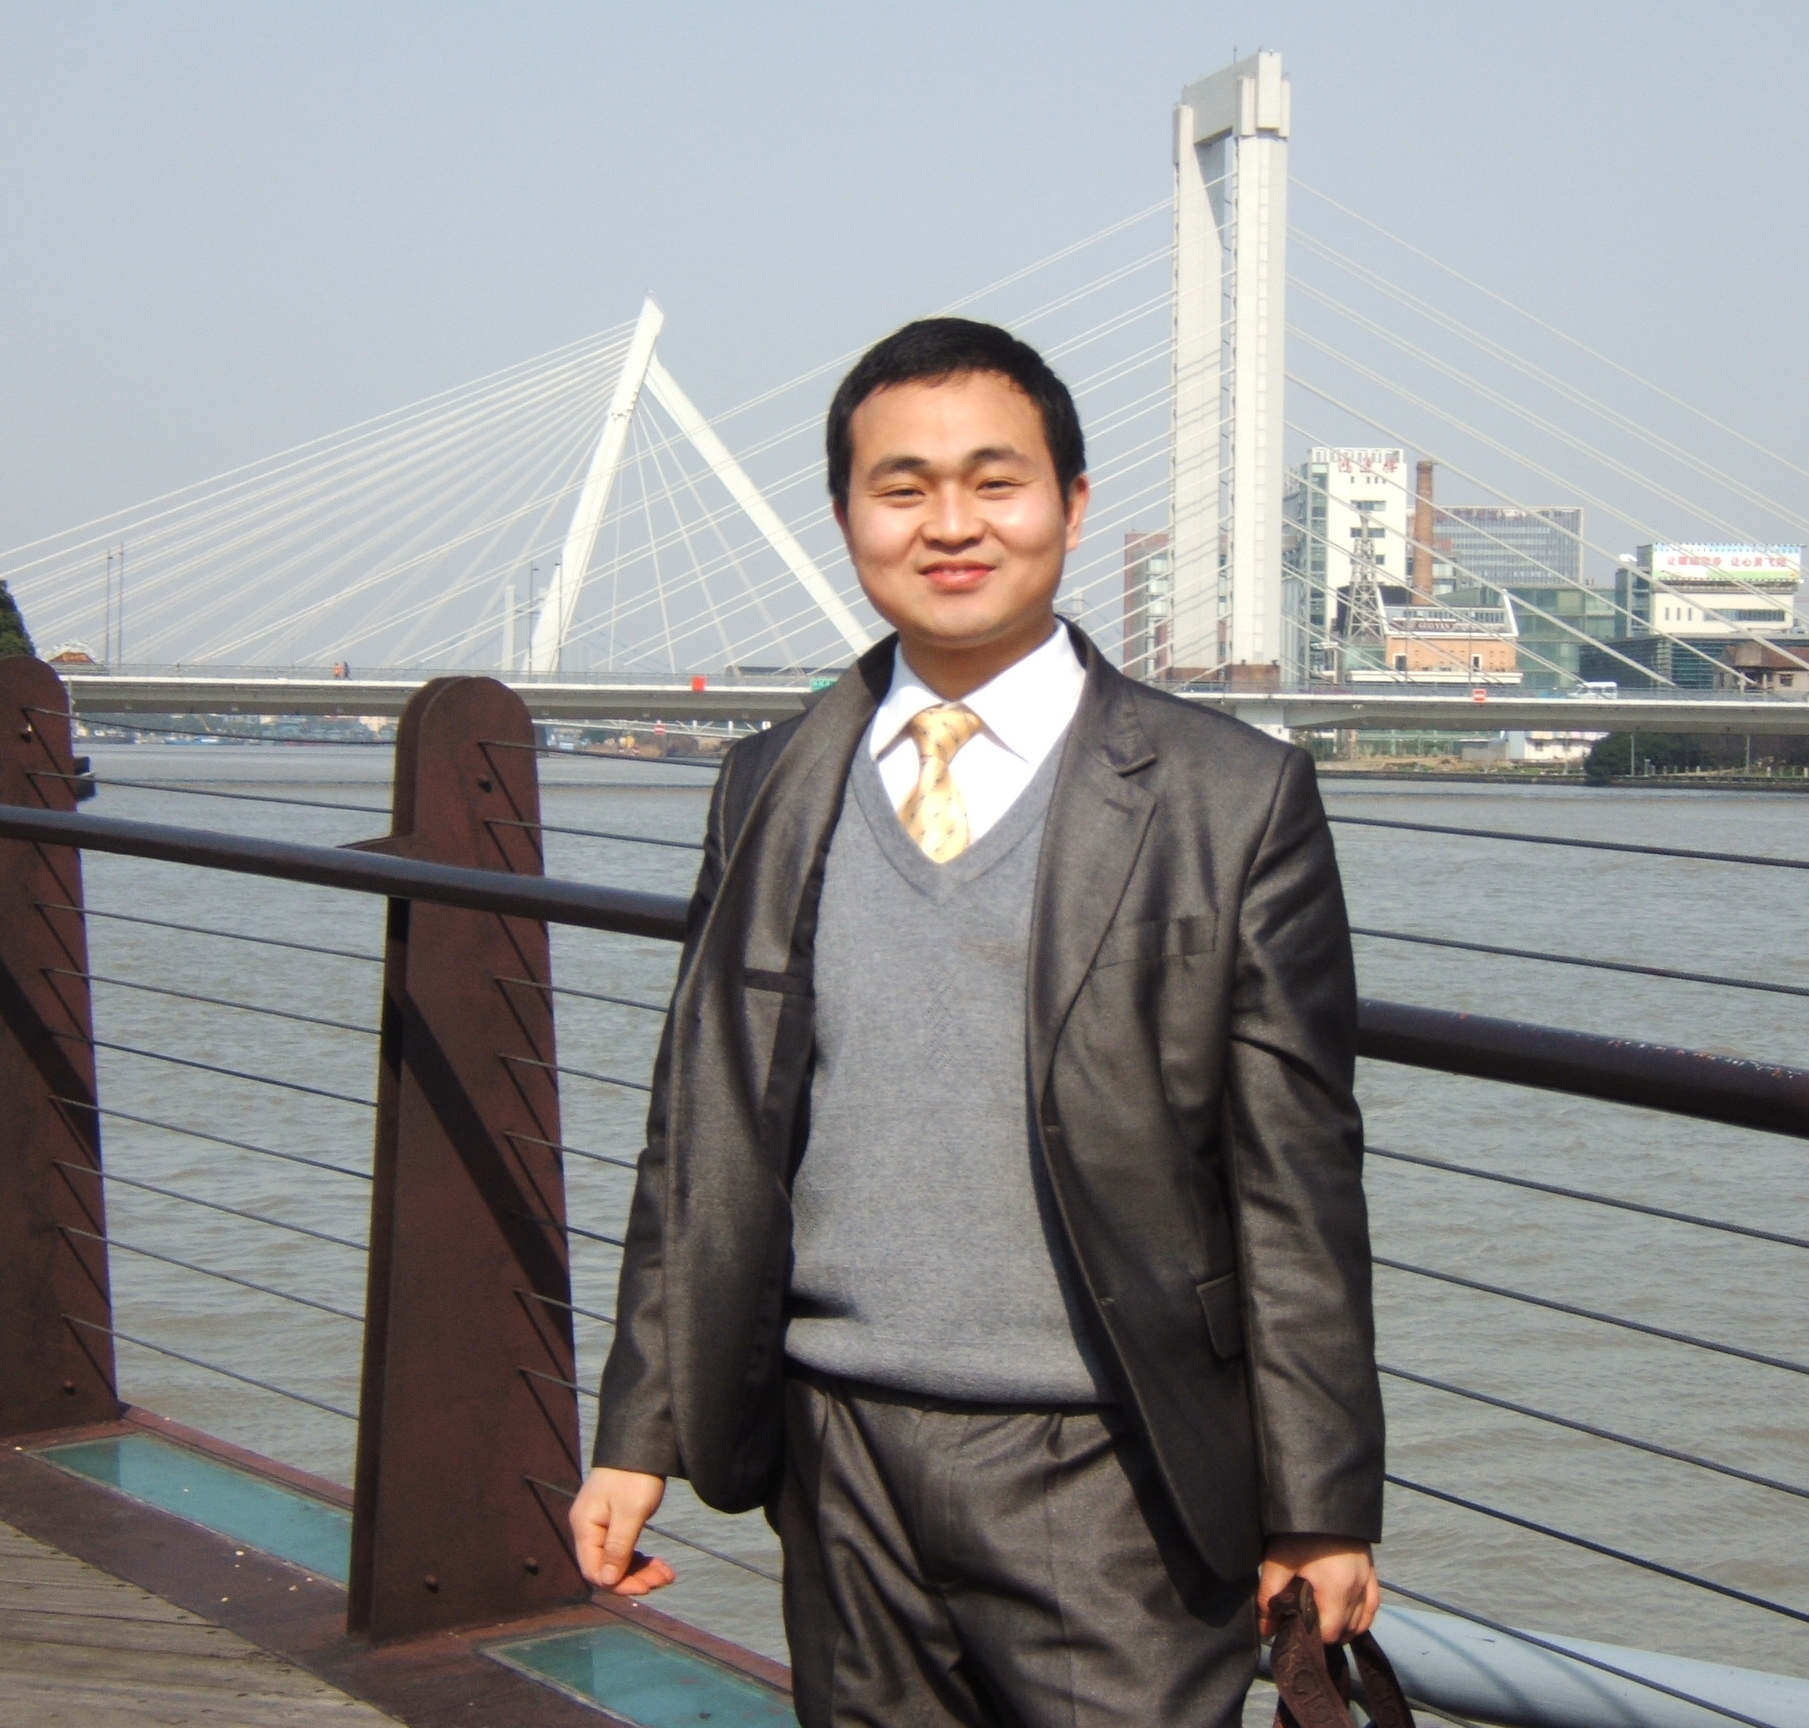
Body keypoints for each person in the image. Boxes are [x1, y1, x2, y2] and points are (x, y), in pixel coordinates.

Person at [570, 317, 1383, 1728]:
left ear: (1073, 502)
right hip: (837, 1450)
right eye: (901, 488)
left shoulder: (1229, 798)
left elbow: (1296, 1177)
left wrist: (1317, 1505)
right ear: (845, 518)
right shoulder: (768, 785)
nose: (951, 525)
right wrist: (638, 1429)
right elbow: (696, 1131)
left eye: (996, 481)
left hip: (1117, 1460)